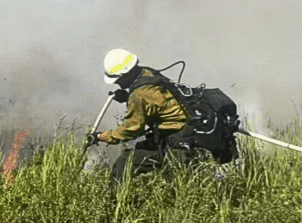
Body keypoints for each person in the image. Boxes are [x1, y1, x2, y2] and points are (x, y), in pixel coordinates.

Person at [87, 49, 239, 181]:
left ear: (125, 75)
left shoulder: (138, 95)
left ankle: (115, 205)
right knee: (128, 165)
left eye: (118, 80)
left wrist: (101, 137)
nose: (117, 84)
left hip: (179, 142)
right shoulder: (147, 73)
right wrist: (126, 97)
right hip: (183, 136)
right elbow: (158, 100)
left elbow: (132, 129)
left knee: (128, 165)